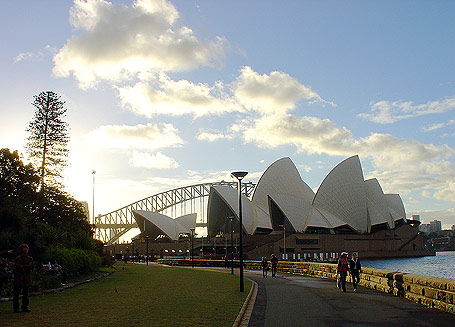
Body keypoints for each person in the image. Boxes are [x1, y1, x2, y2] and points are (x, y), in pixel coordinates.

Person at [13, 244, 33, 313]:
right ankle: (16, 308)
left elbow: (31, 266)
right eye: (24, 248)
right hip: (19, 278)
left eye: (26, 248)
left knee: (26, 294)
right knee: (16, 294)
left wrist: (25, 266)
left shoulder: (29, 258)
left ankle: (25, 307)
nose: (25, 250)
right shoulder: (18, 258)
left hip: (26, 278)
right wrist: (26, 266)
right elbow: (19, 267)